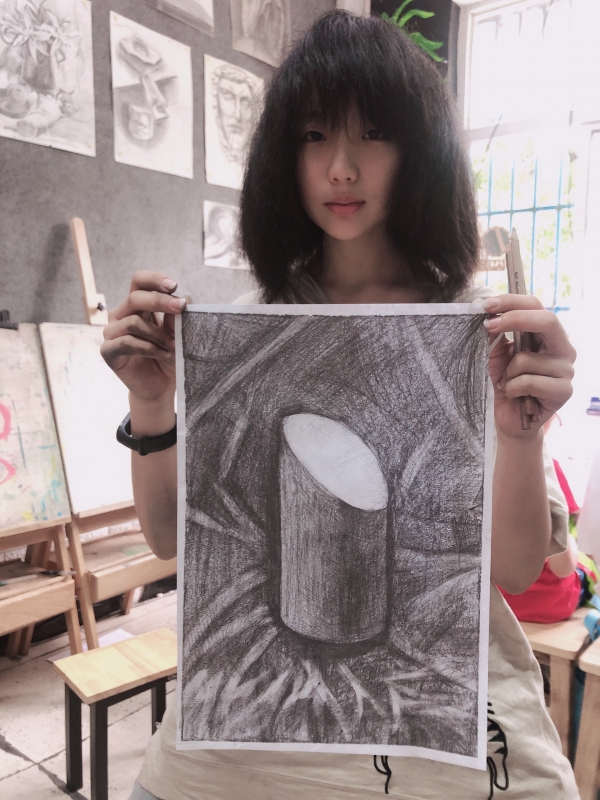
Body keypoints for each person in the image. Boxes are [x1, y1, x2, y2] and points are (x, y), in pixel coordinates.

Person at [101, 11, 578, 800]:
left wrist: (523, 436)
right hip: (249, 728)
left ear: (419, 153)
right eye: (315, 136)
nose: (343, 168)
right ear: (282, 156)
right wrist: (152, 405)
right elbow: (170, 540)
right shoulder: (245, 331)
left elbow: (517, 568)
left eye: (374, 136)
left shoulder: (477, 336)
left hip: (442, 718)